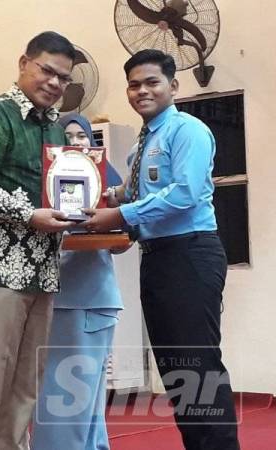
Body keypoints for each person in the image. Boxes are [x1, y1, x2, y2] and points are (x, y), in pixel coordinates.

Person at [82, 49, 240, 450]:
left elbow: (185, 193)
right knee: (176, 372)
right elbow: (132, 194)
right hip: (157, 259)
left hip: (190, 255)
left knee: (197, 367)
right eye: (134, 84)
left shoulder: (187, 130)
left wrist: (118, 216)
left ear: (173, 85)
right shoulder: (140, 147)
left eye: (151, 82)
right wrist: (92, 194)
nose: (141, 91)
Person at [0, 31, 78, 450]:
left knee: (27, 385)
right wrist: (30, 215)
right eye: (47, 70)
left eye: (63, 78)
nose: (54, 83)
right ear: (24, 62)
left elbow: (63, 195)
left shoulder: (57, 129)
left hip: (42, 271)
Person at [32, 113, 124, 450]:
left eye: (81, 135)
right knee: (79, 403)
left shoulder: (104, 177)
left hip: (85, 298)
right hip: (67, 299)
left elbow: (124, 237)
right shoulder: (46, 178)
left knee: (68, 401)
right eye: (66, 136)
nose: (75, 141)